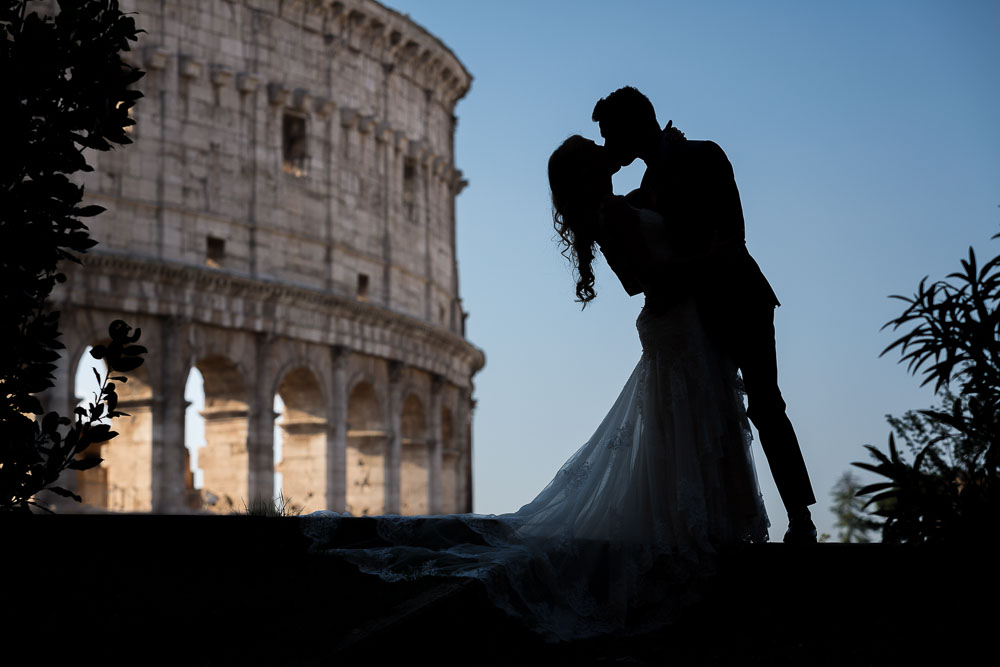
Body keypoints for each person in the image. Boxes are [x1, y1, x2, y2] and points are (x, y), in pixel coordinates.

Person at [301, 135, 769, 641]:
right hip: (674, 323)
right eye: (595, 145)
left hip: (681, 325)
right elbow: (647, 281)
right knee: (684, 423)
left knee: (687, 424)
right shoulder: (613, 214)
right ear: (589, 170)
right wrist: (715, 257)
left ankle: (703, 527)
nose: (604, 145)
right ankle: (695, 534)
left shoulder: (622, 204)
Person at [591, 86, 817, 542]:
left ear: (634, 126)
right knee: (707, 416)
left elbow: (733, 236)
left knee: (766, 404)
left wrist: (685, 270)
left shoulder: (705, 156)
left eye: (610, 135)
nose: (607, 145)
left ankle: (800, 518)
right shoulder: (641, 192)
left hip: (740, 299)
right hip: (691, 318)